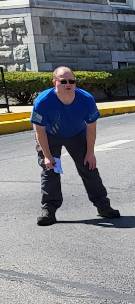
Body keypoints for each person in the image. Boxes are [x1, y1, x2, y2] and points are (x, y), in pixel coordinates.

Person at [31, 66, 121, 226]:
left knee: (89, 167)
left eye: (72, 81)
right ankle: (49, 210)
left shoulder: (86, 99)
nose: (68, 84)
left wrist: (90, 153)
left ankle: (103, 206)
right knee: (50, 170)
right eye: (63, 81)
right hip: (50, 136)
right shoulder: (43, 101)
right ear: (54, 82)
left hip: (77, 134)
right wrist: (47, 156)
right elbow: (39, 131)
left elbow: (91, 128)